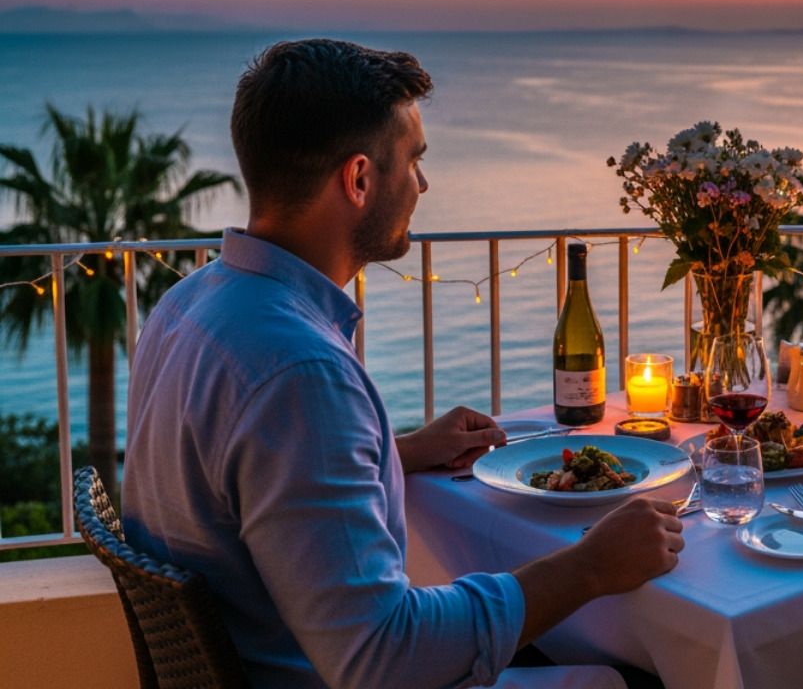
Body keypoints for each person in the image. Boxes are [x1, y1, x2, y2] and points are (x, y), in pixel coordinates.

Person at [124, 39, 683, 689]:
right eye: (413, 160)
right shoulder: (299, 371)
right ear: (359, 179)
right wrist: (589, 566)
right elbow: (382, 656)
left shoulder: (189, 304)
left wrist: (402, 451)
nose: (422, 184)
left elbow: (256, 479)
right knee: (636, 674)